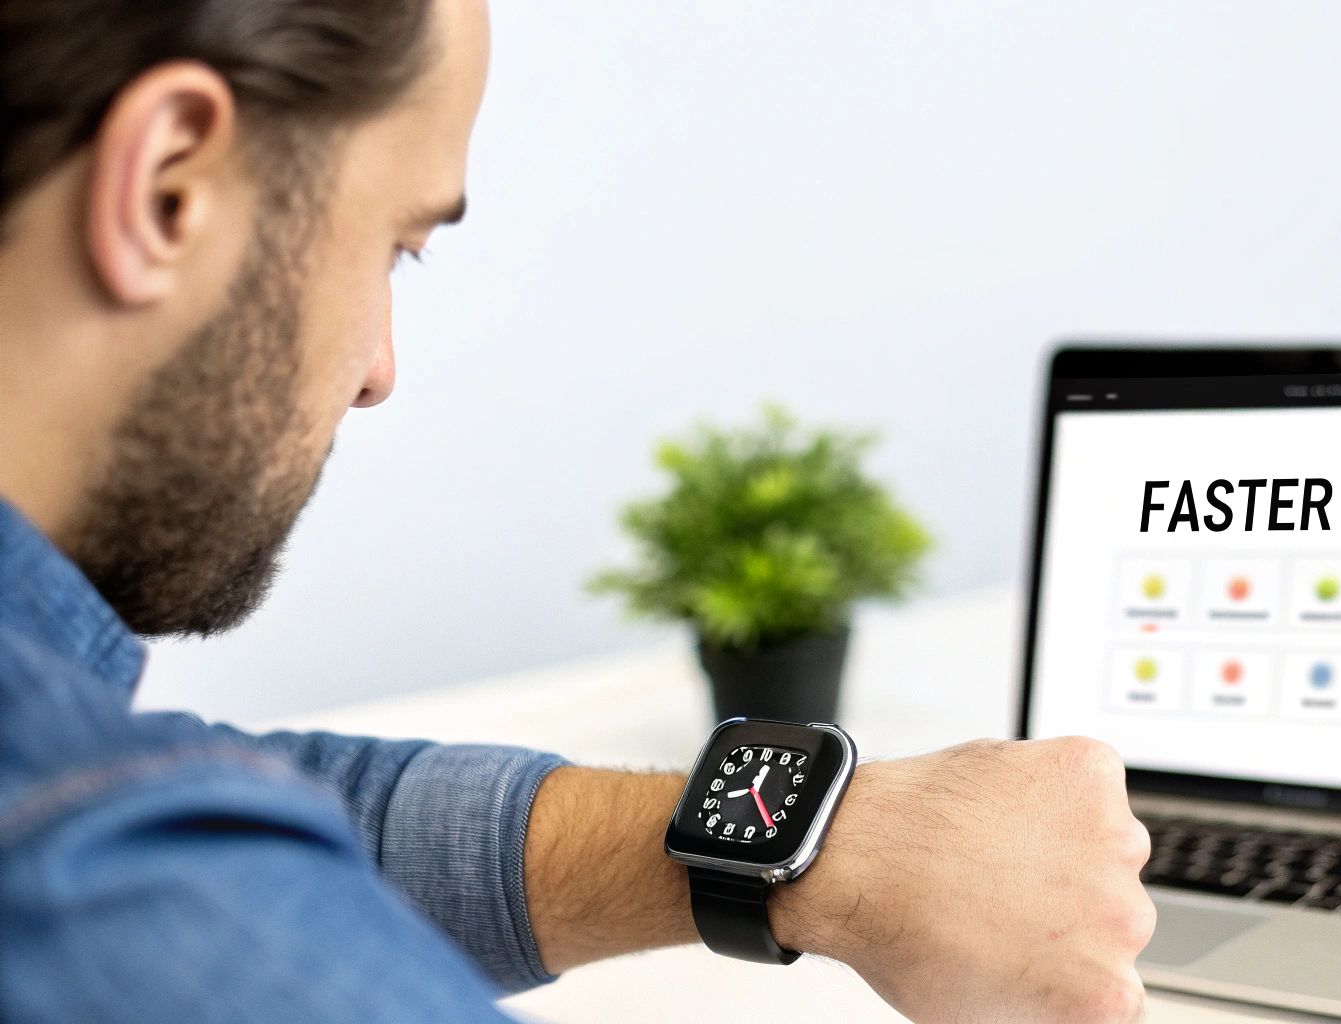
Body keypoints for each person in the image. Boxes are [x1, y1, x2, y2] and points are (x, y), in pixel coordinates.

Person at [0, 1, 1156, 1021]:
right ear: (167, 187)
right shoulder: (94, 883)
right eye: (397, 244)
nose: (378, 369)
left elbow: (203, 793)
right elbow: (144, 844)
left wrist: (832, 848)